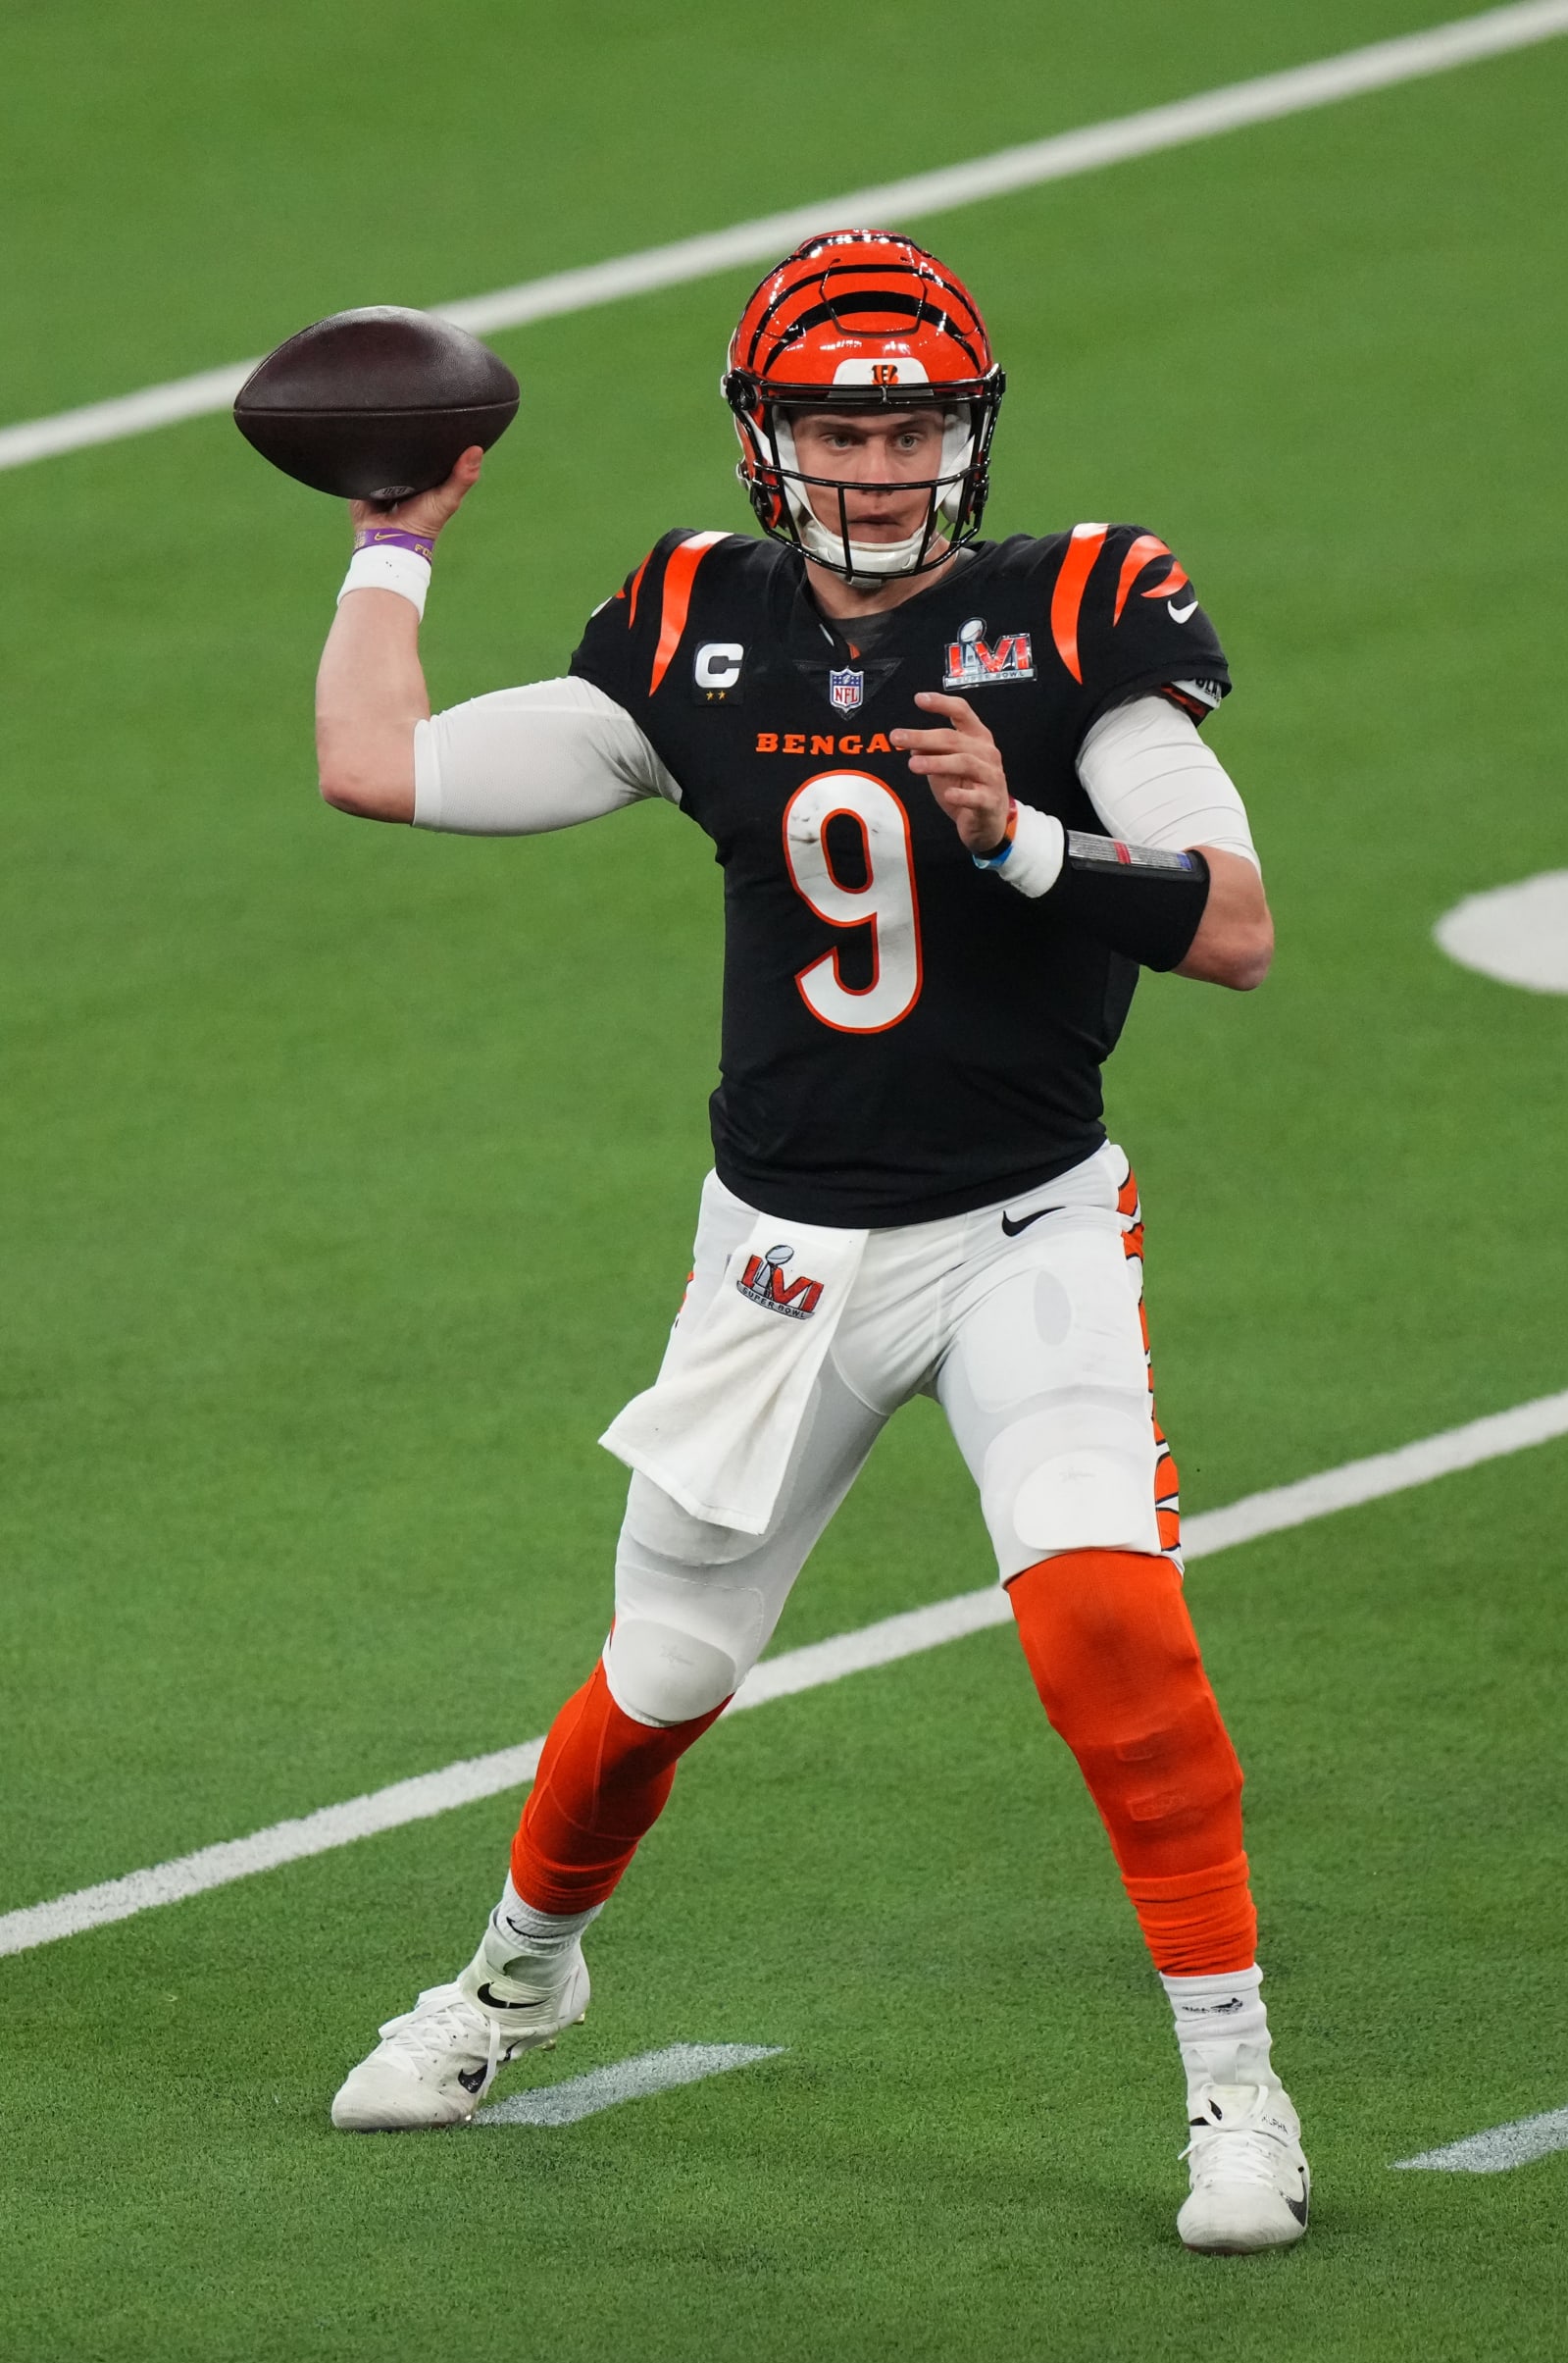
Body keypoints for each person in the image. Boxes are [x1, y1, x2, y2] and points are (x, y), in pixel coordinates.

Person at [316, 231, 1307, 2253]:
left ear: (972, 427)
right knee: (662, 1675)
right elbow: (379, 767)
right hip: (779, 1252)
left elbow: (1233, 922)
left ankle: (1237, 2087)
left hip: (1025, 1226)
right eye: (839, 425)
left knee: (1105, 1620)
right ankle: (515, 1979)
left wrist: (1015, 836)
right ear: (769, 442)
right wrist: (392, 539)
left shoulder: (1078, 611)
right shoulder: (696, 623)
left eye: (913, 421)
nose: (877, 463)